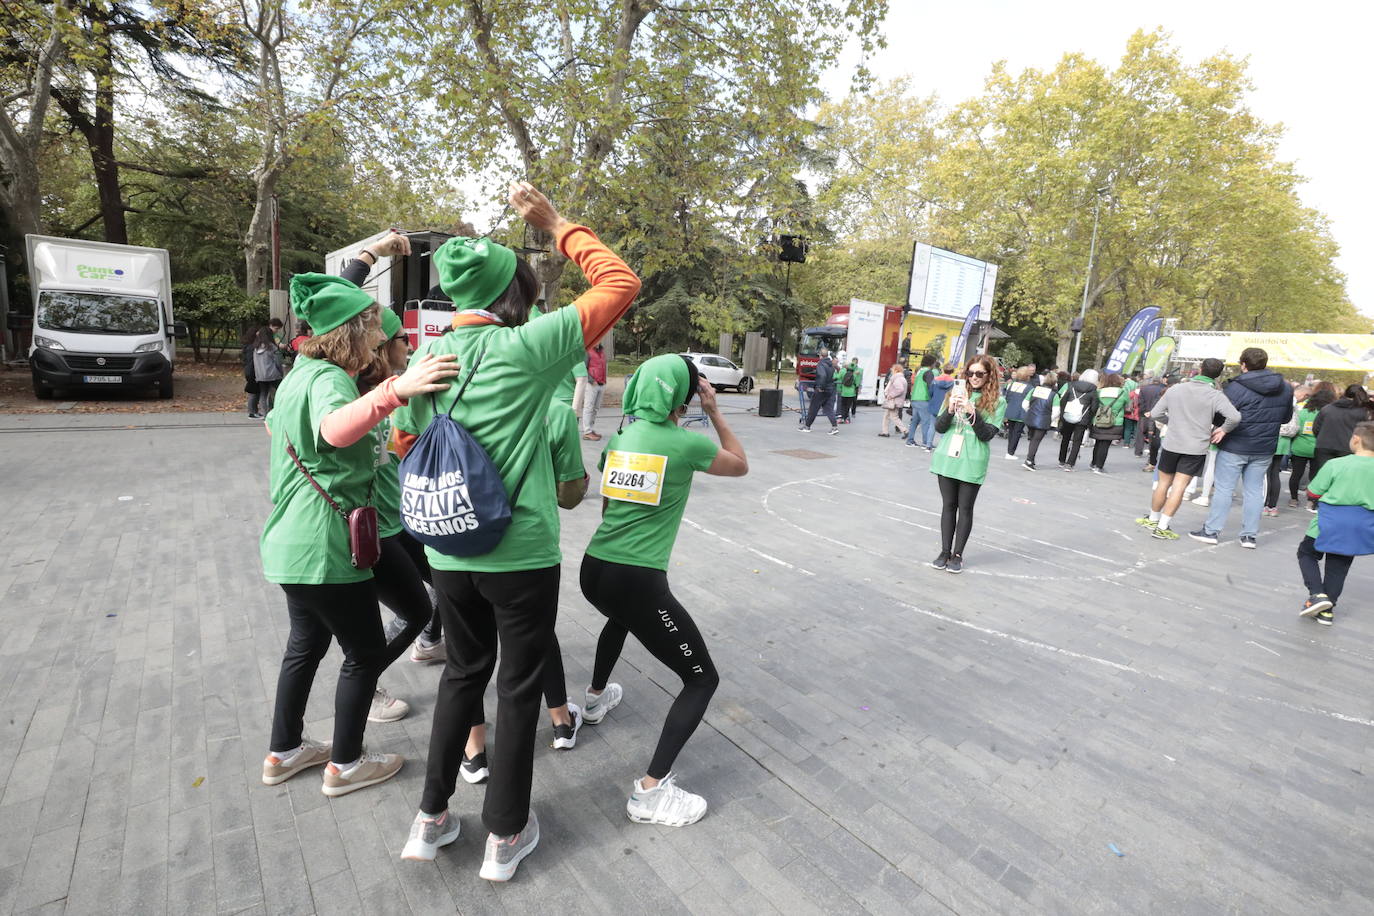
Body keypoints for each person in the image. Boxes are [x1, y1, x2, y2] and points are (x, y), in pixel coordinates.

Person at [392, 182, 640, 882]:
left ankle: (431, 819)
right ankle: (504, 836)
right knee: (517, 684)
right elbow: (620, 282)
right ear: (516, 292)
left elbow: (402, 443)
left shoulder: (425, 361)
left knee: (462, 678)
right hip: (519, 552)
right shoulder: (530, 347)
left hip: (446, 549)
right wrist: (558, 223)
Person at [258, 261, 461, 798]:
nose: (380, 336)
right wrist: (395, 392)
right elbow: (333, 429)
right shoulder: (326, 378)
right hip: (327, 548)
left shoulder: (300, 376)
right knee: (366, 653)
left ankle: (284, 751)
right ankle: (345, 763)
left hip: (295, 547)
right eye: (373, 327)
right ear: (351, 331)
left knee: (308, 644)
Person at [580, 355, 747, 826]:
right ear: (684, 396)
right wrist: (715, 412)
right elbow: (739, 465)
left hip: (595, 569)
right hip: (638, 579)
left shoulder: (621, 436)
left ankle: (594, 699)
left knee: (622, 616)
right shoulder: (684, 444)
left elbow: (609, 499)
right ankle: (650, 793)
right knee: (701, 679)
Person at [1190, 348, 1293, 548]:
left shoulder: (1236, 387)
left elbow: (1221, 416)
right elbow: (1286, 418)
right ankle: (1249, 536)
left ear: (1243, 364)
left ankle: (1211, 531)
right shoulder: (1286, 388)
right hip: (1264, 446)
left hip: (1235, 443)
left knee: (1224, 489)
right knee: (1254, 491)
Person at [1135, 358, 1239, 539]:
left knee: (1163, 483)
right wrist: (1222, 430)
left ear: (1200, 369)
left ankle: (1153, 518)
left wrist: (1172, 423)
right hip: (1196, 446)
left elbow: (1156, 413)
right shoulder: (1215, 395)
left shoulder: (1176, 389)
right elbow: (1235, 417)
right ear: (1218, 374)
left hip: (1172, 442)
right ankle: (1163, 526)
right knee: (1179, 487)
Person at [929, 355, 1004, 573]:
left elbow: (987, 434)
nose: (974, 378)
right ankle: (944, 551)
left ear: (989, 375)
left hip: (972, 460)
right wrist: (951, 409)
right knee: (948, 506)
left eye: (979, 373)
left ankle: (958, 554)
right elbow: (940, 428)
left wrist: (973, 412)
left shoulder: (998, 401)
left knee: (965, 508)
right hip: (948, 457)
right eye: (970, 373)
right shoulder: (954, 394)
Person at [1296, 421, 1374, 626]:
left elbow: (1313, 491)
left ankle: (1317, 594)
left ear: (1356, 440)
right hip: (1361, 525)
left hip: (1329, 520)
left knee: (1306, 553)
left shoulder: (1336, 464)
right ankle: (1327, 611)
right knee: (1338, 567)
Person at [1313, 385, 1374, 480]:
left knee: (1323, 475)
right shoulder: (1363, 412)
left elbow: (1316, 428)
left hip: (1324, 445)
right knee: (1343, 478)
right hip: (1348, 447)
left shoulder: (1327, 408)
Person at [1290, 386, 1336, 510]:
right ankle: (1312, 501)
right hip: (1318, 448)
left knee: (1296, 474)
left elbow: (1296, 429)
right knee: (1315, 475)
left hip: (1300, 447)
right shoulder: (1328, 414)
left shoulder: (1303, 412)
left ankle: (1293, 499)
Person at [1056, 368, 1100, 471]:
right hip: (1082, 418)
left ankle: (1061, 460)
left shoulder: (1071, 385)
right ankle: (1070, 464)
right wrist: (1089, 418)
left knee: (1065, 438)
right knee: (1077, 441)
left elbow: (1063, 400)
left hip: (1068, 415)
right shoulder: (1093, 390)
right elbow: (1094, 407)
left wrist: (1062, 414)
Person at [1086, 373, 1130, 473]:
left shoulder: (1099, 391)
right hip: (1114, 422)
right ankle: (1099, 465)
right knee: (1105, 444)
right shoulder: (1123, 392)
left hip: (1099, 419)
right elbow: (1128, 407)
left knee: (1098, 442)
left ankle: (1093, 463)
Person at [1019, 371, 1056, 471]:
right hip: (1043, 420)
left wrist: (1030, 412)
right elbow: (1057, 411)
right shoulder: (1054, 395)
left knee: (1032, 440)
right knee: (1036, 441)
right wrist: (1049, 419)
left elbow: (1024, 404)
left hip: (1031, 418)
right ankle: (1029, 461)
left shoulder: (1034, 390)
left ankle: (1031, 459)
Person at [248, 326, 284, 418]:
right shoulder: (272, 347)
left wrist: (258, 375)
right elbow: (278, 362)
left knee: (263, 395)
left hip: (261, 376)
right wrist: (281, 373)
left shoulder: (255, 348)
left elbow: (255, 363)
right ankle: (280, 412)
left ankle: (265, 415)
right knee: (280, 392)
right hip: (273, 374)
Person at [801, 347, 839, 434]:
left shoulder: (821, 364)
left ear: (820, 355)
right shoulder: (831, 364)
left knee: (813, 408)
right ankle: (834, 427)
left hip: (822, 390)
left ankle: (807, 426)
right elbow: (831, 376)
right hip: (830, 389)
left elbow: (823, 376)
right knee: (828, 409)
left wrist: (820, 387)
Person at [905, 355, 939, 449]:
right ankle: (926, 442)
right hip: (923, 399)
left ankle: (910, 440)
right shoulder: (928, 372)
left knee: (915, 421)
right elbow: (930, 386)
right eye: (934, 362)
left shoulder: (920, 371)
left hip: (915, 398)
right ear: (932, 363)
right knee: (926, 422)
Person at [1135, 375, 1167, 469]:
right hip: (1158, 415)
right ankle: (1151, 457)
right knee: (1155, 436)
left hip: (1145, 414)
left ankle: (1138, 451)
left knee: (1141, 433)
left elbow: (1141, 402)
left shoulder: (1144, 389)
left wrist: (1143, 412)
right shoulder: (1163, 389)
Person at [1001, 367, 1032, 459]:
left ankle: (1009, 451)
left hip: (1010, 411)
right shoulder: (1030, 387)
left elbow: (1007, 398)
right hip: (1021, 413)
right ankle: (1011, 452)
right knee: (1017, 433)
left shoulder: (1011, 385)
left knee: (1011, 432)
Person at [582, 341, 608, 440]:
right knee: (588, 407)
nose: (598, 341)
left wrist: (605, 380)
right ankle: (587, 431)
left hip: (601, 383)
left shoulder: (602, 351)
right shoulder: (588, 351)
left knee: (596, 408)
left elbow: (603, 366)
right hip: (592, 384)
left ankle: (591, 429)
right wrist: (591, 380)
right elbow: (583, 368)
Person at [878, 364, 907, 437]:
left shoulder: (897, 378)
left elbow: (900, 389)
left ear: (896, 370)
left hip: (893, 401)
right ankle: (885, 432)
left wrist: (891, 395)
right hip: (895, 401)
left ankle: (905, 431)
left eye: (893, 369)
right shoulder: (901, 378)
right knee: (887, 416)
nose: (891, 371)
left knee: (894, 417)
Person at [836, 357, 862, 423]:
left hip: (844, 392)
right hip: (851, 393)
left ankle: (841, 418)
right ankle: (846, 419)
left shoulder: (842, 371)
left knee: (843, 405)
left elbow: (838, 378)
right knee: (848, 406)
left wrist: (835, 373)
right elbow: (856, 384)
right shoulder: (855, 374)